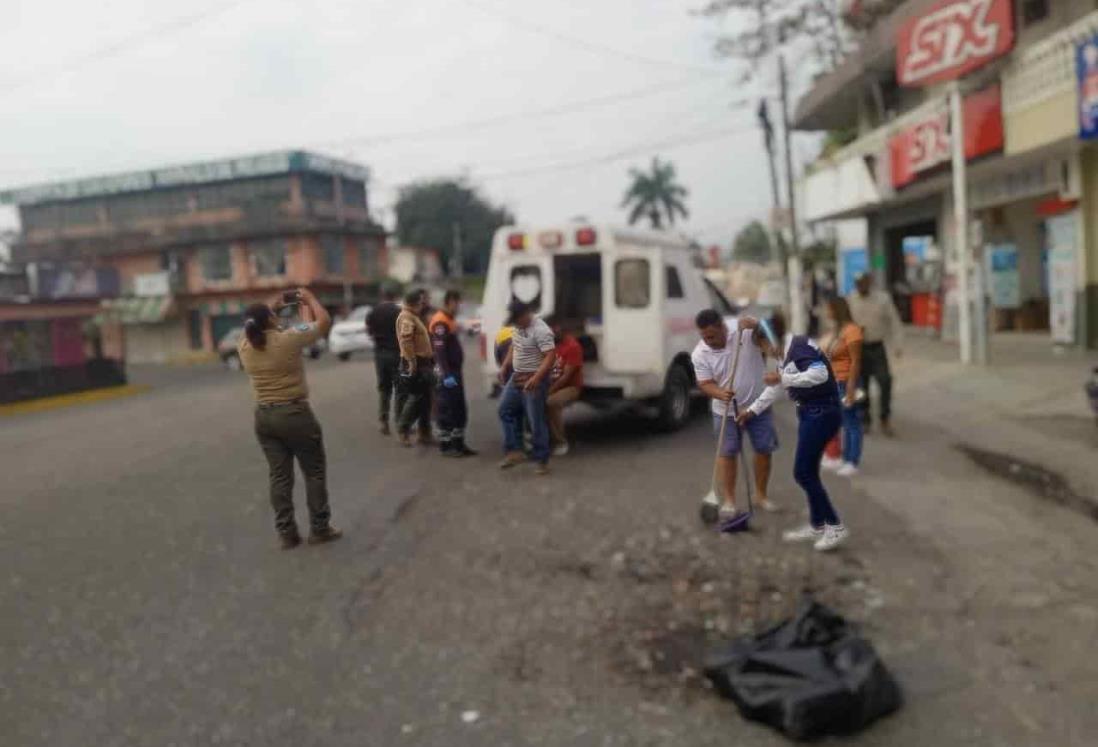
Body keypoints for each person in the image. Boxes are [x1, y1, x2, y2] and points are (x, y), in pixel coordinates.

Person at [238, 289, 342, 549]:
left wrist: (271, 306)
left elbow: (257, 319)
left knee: (279, 476)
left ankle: (287, 533)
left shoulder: (244, 345)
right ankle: (319, 529)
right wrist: (309, 297)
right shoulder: (288, 339)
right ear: (271, 320)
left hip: (264, 416)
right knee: (314, 472)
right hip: (294, 414)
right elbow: (324, 322)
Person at [691, 309, 780, 525]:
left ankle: (760, 495)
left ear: (722, 327)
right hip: (725, 411)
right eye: (704, 337)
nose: (708, 341)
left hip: (758, 405)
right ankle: (729, 500)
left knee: (764, 449)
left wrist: (758, 324)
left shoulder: (741, 330)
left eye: (711, 336)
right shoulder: (699, 354)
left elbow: (772, 340)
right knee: (728, 453)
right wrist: (720, 393)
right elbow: (704, 384)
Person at [767, 335, 849, 552]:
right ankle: (818, 524)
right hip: (811, 411)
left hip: (820, 412)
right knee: (809, 471)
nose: (765, 352)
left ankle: (834, 525)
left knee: (803, 472)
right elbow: (780, 387)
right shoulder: (790, 351)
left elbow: (820, 373)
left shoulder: (798, 348)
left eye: (763, 346)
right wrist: (751, 409)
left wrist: (785, 379)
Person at [497, 300, 556, 475]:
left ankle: (541, 460)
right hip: (517, 376)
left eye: (517, 319)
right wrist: (504, 366)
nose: (515, 323)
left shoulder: (541, 330)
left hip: (534, 379)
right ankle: (515, 450)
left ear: (526, 314)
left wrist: (537, 378)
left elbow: (550, 356)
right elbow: (514, 346)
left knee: (535, 420)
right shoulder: (518, 326)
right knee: (504, 410)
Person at [847, 273, 903, 436]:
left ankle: (884, 417)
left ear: (869, 282)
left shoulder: (882, 299)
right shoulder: (851, 300)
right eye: (858, 283)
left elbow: (894, 321)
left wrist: (897, 345)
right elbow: (842, 323)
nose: (861, 286)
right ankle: (865, 419)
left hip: (877, 347)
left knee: (885, 380)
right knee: (862, 385)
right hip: (858, 348)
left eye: (863, 282)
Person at [430, 290, 477, 457]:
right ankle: (447, 446)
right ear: (450, 301)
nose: (459, 307)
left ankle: (459, 444)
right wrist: (446, 375)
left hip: (455, 371)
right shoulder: (440, 322)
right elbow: (440, 352)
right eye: (457, 303)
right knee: (447, 409)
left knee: (459, 409)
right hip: (447, 373)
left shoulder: (450, 320)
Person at [822, 297, 864, 477]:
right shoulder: (837, 331)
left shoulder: (852, 331)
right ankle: (838, 456)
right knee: (837, 421)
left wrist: (851, 388)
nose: (827, 313)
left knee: (851, 422)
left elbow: (856, 361)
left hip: (846, 381)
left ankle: (852, 460)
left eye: (829, 309)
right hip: (834, 381)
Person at [396, 289, 435, 447]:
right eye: (420, 302)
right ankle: (403, 430)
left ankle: (424, 433)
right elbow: (406, 341)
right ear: (415, 303)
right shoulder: (406, 317)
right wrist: (412, 362)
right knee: (415, 398)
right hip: (415, 363)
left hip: (423, 362)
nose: (422, 304)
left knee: (425, 399)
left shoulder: (413, 316)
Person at [545, 316, 584, 457]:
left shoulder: (572, 346)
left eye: (553, 329)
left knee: (551, 402)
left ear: (559, 329)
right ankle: (538, 440)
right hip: (550, 384)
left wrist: (549, 391)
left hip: (570, 387)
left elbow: (566, 376)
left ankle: (561, 442)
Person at [366, 286, 402, 435]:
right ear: (394, 296)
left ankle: (383, 421)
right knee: (400, 389)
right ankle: (401, 422)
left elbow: (369, 332)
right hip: (396, 353)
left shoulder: (372, 312)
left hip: (380, 354)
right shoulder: (399, 312)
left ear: (382, 296)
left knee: (384, 389)